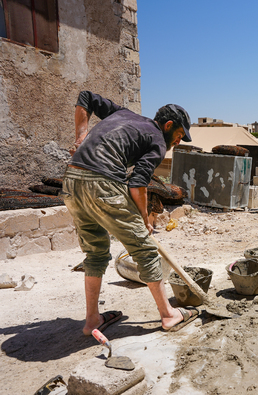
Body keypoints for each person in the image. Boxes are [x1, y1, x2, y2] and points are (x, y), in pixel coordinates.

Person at [64, 90, 198, 334]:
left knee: (95, 252)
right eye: (178, 135)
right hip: (102, 182)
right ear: (168, 126)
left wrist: (81, 137)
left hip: (72, 181)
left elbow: (85, 97)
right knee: (145, 249)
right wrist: (143, 219)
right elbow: (138, 184)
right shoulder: (158, 141)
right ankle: (168, 315)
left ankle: (92, 319)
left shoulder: (123, 114)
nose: (178, 142)